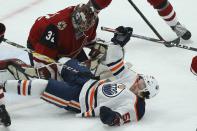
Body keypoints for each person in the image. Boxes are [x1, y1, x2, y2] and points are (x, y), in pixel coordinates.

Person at [0, 26, 159, 127]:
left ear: (144, 93)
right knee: (63, 60)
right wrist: (117, 42)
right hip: (87, 79)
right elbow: (115, 62)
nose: (138, 81)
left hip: (78, 99)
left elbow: (122, 117)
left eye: (142, 85)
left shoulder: (136, 105)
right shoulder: (131, 78)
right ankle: (49, 69)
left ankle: (4, 85)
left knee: (42, 85)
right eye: (141, 79)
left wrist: (112, 118)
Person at [27, 0, 112, 66]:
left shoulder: (93, 20)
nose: (80, 32)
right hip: (41, 44)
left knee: (85, 72)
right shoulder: (55, 28)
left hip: (65, 45)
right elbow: (41, 64)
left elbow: (90, 41)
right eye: (78, 29)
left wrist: (102, 48)